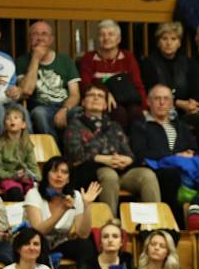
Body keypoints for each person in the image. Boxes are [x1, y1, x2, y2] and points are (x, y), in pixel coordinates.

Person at [65, 82, 161, 216]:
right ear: (83, 102)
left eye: (100, 96)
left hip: (119, 171)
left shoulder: (114, 126)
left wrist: (126, 159)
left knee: (147, 175)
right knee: (109, 175)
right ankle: (110, 223)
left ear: (105, 104)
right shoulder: (75, 124)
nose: (96, 98)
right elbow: (74, 154)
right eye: (91, 95)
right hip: (90, 173)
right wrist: (103, 159)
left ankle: (153, 225)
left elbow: (129, 153)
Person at [130, 84, 199, 224]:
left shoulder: (181, 126)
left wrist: (188, 154)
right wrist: (174, 158)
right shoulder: (140, 126)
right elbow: (141, 153)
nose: (162, 103)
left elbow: (193, 148)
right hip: (156, 171)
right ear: (148, 102)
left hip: (183, 171)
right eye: (157, 98)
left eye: (166, 99)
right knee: (172, 175)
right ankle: (174, 223)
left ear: (171, 103)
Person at [24, 156, 100, 263]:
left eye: (64, 172)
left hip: (60, 245)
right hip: (34, 244)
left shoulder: (75, 196)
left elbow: (83, 234)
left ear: (68, 178)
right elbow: (39, 231)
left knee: (85, 245)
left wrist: (86, 205)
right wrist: (62, 209)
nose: (59, 175)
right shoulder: (34, 194)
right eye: (54, 171)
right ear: (46, 174)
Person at [15, 20, 79, 142]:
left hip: (65, 106)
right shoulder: (22, 61)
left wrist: (64, 109)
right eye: (35, 34)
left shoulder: (65, 60)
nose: (39, 38)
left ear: (51, 39)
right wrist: (35, 58)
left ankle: (74, 154)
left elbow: (75, 94)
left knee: (79, 113)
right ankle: (53, 155)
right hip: (41, 107)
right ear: (29, 38)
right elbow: (26, 91)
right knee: (40, 114)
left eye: (44, 34)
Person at [78, 19, 147, 131]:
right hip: (102, 102)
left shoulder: (128, 57)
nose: (106, 38)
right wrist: (105, 93)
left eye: (110, 34)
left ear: (118, 39)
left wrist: (144, 107)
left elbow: (137, 84)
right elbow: (85, 85)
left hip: (126, 99)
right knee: (118, 112)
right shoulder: (89, 58)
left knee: (136, 112)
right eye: (102, 35)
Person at [139, 22, 198, 117]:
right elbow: (151, 93)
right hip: (159, 111)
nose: (169, 43)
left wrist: (191, 103)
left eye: (173, 39)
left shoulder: (187, 62)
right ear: (158, 42)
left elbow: (195, 89)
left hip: (186, 111)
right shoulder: (148, 63)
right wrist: (178, 103)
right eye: (164, 39)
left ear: (179, 43)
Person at [0, 106, 39, 201]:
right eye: (8, 119)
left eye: (15, 117)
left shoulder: (27, 144)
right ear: (5, 126)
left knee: (34, 193)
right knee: (15, 193)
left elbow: (33, 165)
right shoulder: (0, 144)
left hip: (25, 179)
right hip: (8, 178)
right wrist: (12, 175)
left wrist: (35, 177)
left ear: (23, 125)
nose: (11, 120)